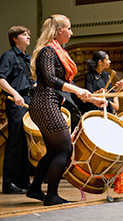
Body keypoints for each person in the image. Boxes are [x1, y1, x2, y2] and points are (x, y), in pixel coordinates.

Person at [26, 14, 107, 205]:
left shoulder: (57, 52)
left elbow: (63, 87)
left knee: (54, 151)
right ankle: (52, 196)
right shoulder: (48, 51)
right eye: (69, 28)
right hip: (45, 103)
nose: (71, 32)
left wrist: (92, 99)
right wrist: (78, 89)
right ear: (58, 30)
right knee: (65, 148)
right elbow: (50, 80)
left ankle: (35, 188)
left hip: (47, 103)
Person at [0, 26, 36, 194]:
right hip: (17, 101)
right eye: (24, 34)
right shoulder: (8, 56)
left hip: (29, 100)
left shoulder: (27, 58)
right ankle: (8, 183)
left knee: (24, 143)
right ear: (15, 38)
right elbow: (1, 79)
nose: (28, 36)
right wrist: (15, 93)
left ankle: (22, 181)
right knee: (15, 141)